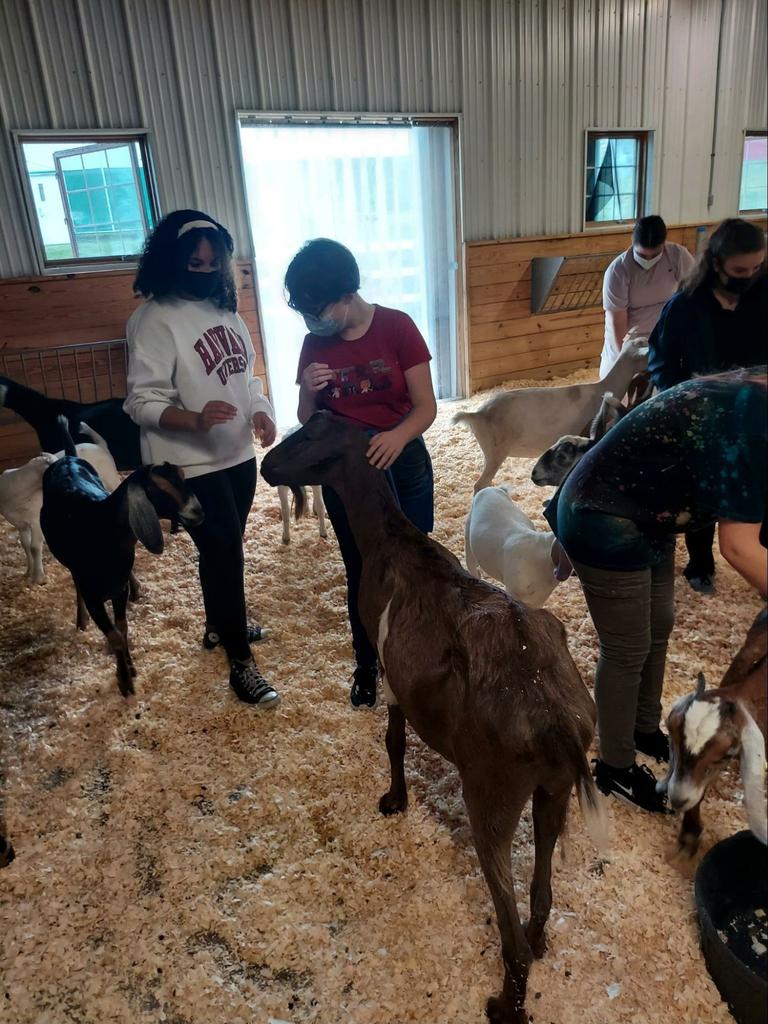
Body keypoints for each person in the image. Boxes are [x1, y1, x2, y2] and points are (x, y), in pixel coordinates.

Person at [544, 369, 767, 813]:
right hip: (602, 512)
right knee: (627, 646)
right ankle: (616, 766)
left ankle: (644, 728)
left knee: (658, 623)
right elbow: (739, 546)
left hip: (649, 509)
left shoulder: (754, 394)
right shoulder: (755, 422)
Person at [124, 210, 280, 707]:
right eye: (194, 261)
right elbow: (140, 402)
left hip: (236, 455)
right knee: (226, 553)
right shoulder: (153, 319)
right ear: (172, 261)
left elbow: (248, 380)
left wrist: (261, 411)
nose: (204, 269)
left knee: (224, 548)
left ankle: (219, 622)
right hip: (188, 466)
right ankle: (240, 661)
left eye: (213, 262)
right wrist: (191, 419)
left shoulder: (226, 313)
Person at [285, 238, 437, 709]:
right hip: (347, 475)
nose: (313, 318)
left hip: (401, 459)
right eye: (305, 310)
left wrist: (398, 435)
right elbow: (310, 421)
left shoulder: (397, 327)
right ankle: (367, 661)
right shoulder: (314, 342)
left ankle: (419, 659)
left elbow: (426, 407)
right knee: (362, 569)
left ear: (347, 295)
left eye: (318, 307)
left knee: (415, 564)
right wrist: (308, 393)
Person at [648, 218, 767, 594]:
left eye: (757, 268)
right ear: (716, 263)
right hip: (703, 417)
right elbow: (660, 360)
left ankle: (759, 562)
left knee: (757, 490)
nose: (749, 275)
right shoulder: (686, 306)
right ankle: (701, 564)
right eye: (739, 270)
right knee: (701, 493)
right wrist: (683, 399)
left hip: (756, 416)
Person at [599, 215, 695, 378]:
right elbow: (617, 321)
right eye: (642, 256)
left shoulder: (678, 256)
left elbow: (692, 298)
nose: (648, 260)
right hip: (629, 342)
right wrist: (627, 359)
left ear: (663, 245)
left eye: (654, 255)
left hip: (665, 337)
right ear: (632, 243)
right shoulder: (618, 270)